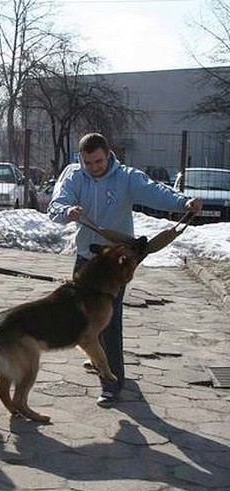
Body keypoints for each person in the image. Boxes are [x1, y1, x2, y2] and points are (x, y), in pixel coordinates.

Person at [48, 132, 202, 408]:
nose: (93, 167)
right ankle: (99, 358)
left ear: (108, 155)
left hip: (114, 265)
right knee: (83, 320)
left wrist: (183, 203)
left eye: (98, 161)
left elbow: (156, 192)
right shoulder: (74, 175)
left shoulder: (126, 177)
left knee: (109, 322)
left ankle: (112, 382)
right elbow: (56, 205)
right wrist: (67, 210)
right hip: (86, 258)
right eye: (88, 162)